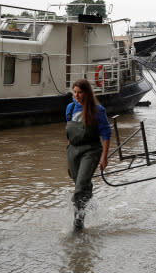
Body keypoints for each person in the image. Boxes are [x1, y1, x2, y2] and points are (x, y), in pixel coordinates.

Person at [66, 79, 111, 231]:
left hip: (91, 150)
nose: (77, 95)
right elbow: (69, 128)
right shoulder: (70, 108)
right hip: (73, 150)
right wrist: (69, 147)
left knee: (79, 188)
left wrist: (104, 157)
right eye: (75, 92)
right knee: (79, 182)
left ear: (87, 93)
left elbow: (106, 134)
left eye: (80, 92)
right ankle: (88, 196)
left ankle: (78, 223)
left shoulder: (97, 110)